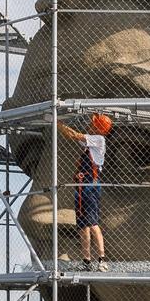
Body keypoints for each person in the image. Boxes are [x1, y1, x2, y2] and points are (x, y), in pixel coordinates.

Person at [57, 112, 112, 271]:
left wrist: (58, 123)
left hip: (89, 186)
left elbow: (74, 135)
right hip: (82, 186)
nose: (90, 124)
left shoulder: (99, 139)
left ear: (98, 127)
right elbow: (74, 136)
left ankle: (101, 259)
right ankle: (86, 260)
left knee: (93, 223)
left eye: (93, 123)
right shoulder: (91, 142)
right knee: (83, 225)